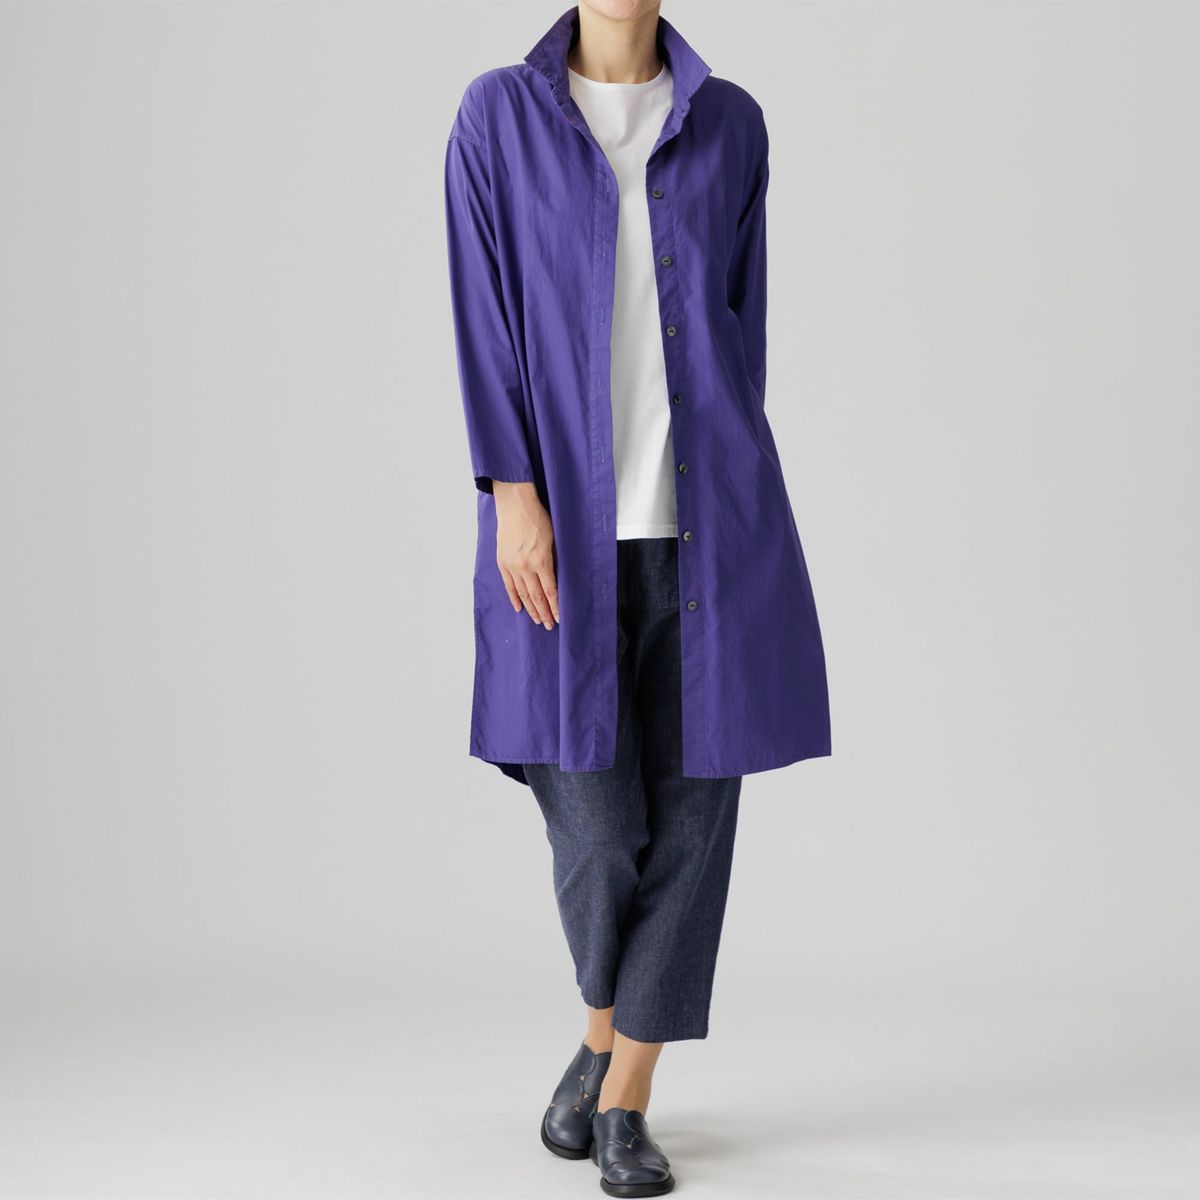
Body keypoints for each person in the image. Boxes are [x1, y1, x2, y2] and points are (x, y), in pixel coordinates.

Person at [444, 3, 830, 1193]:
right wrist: (511, 491)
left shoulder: (732, 123)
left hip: (713, 532)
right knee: (599, 828)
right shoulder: (497, 118)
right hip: (562, 535)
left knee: (696, 826)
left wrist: (733, 488)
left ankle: (625, 1096)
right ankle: (604, 1035)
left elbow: (741, 337)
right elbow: (482, 314)